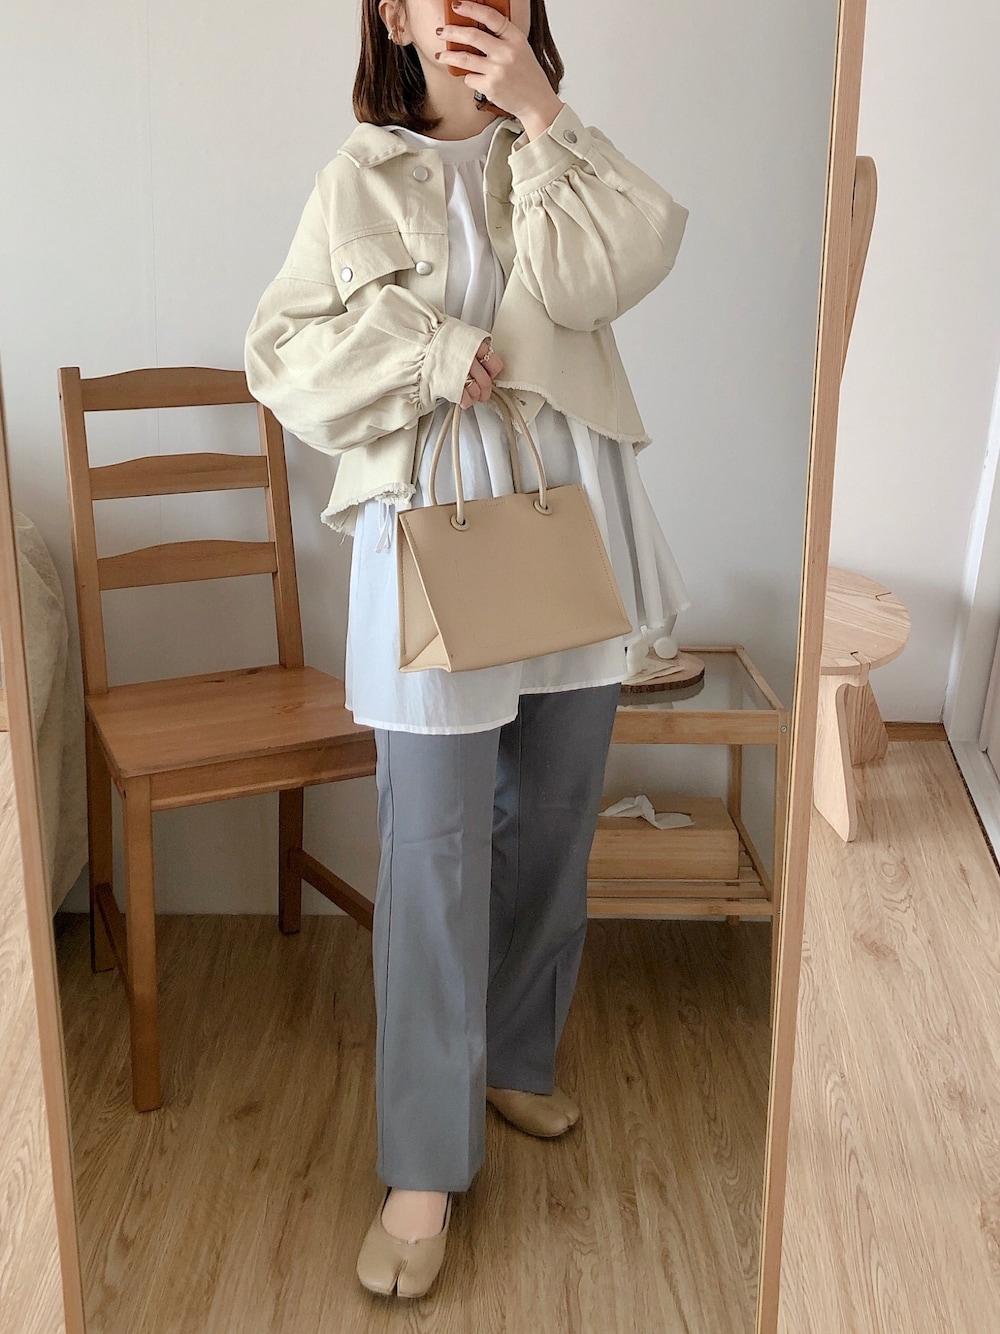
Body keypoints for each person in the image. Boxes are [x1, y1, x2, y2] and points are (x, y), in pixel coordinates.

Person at [245, 0, 690, 1300]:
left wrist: (544, 116)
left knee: (551, 823)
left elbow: (617, 269)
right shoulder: (359, 176)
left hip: (568, 521)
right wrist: (429, 352)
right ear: (391, 13)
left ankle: (515, 1056)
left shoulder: (555, 150)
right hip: (427, 534)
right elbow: (279, 353)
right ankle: (423, 1161)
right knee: (433, 851)